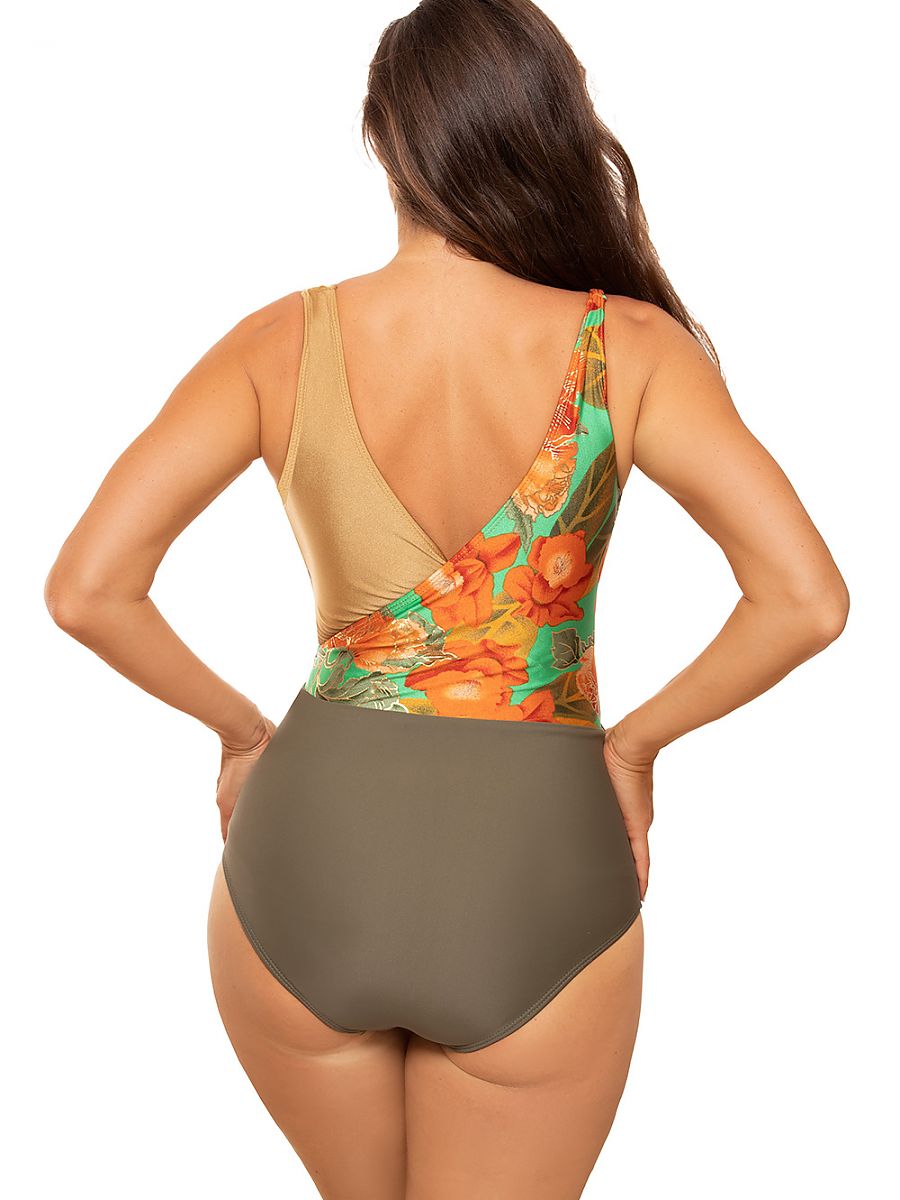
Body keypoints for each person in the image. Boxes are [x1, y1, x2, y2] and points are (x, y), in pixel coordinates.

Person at [44, 1, 849, 1196]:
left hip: (302, 861)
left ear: (386, 141)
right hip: (535, 868)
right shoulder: (626, 348)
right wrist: (634, 751)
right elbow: (804, 600)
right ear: (548, 130)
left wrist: (242, 734)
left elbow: (88, 590)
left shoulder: (280, 341)